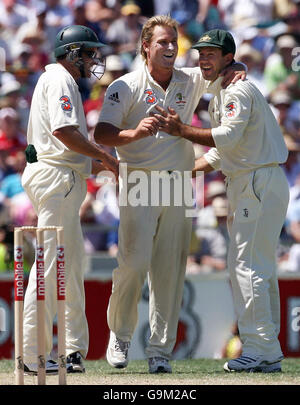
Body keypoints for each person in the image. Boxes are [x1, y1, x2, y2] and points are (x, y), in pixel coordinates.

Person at [94, 16, 246, 374]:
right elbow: (102, 133)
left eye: (173, 42)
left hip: (177, 183)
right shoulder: (125, 85)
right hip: (138, 180)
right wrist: (133, 134)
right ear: (146, 46)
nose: (169, 48)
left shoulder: (189, 79)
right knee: (133, 262)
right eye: (162, 42)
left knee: (170, 270)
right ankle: (120, 334)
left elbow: (217, 66)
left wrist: (236, 65)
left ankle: (160, 350)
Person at [154, 29, 289, 373]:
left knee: (248, 267)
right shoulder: (224, 91)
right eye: (201, 53)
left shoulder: (236, 90)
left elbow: (226, 138)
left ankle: (260, 349)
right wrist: (188, 171)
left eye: (212, 53)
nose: (204, 58)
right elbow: (220, 151)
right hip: (255, 180)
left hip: (255, 182)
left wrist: (180, 130)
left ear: (229, 57)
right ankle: (266, 348)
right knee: (256, 266)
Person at [20, 25, 118, 375]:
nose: (94, 59)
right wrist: (106, 158)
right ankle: (32, 353)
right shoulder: (60, 79)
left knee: (71, 265)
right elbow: (65, 134)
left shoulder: (62, 81)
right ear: (73, 51)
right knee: (49, 269)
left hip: (62, 177)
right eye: (89, 52)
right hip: (56, 180)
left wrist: (110, 167)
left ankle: (73, 350)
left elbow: (67, 149)